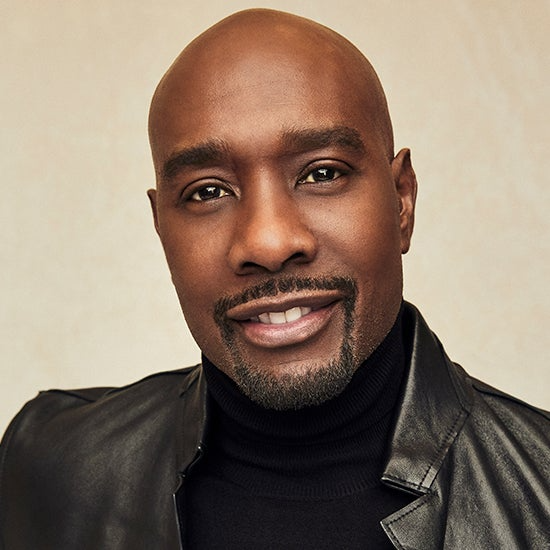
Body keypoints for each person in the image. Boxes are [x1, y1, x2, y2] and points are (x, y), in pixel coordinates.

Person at [0, 8, 548, 549]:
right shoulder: (51, 465)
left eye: (322, 173)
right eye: (207, 191)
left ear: (401, 201)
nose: (267, 242)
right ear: (161, 228)